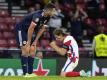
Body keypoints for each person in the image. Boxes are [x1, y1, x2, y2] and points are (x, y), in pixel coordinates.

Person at [15, 3, 56, 77]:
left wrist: (35, 41)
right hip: (21, 29)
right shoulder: (38, 15)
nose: (54, 12)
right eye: (53, 11)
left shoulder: (48, 17)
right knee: (25, 49)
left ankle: (30, 73)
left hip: (29, 31)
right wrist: (29, 42)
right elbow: (31, 28)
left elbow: (42, 29)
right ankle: (25, 74)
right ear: (48, 10)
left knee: (33, 50)